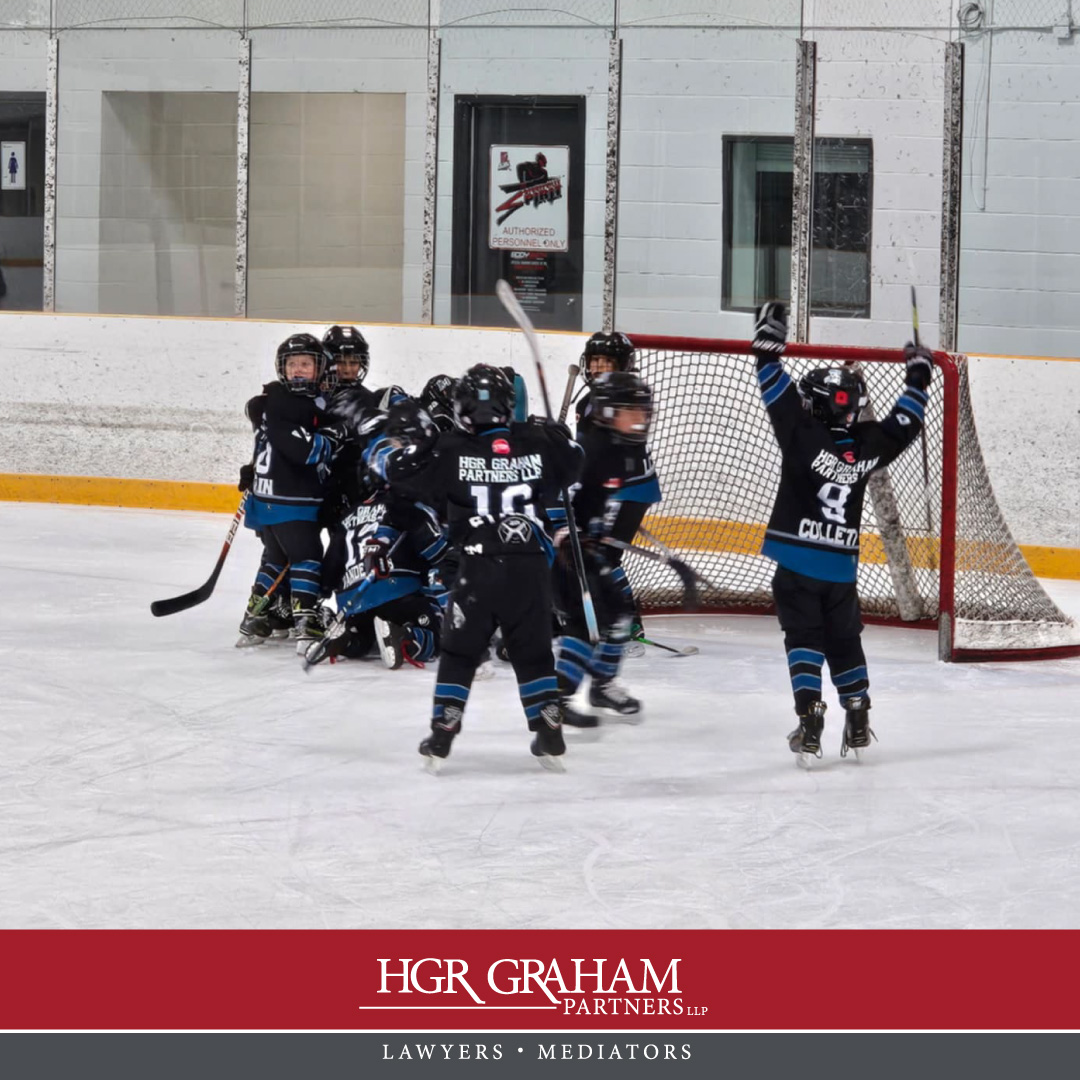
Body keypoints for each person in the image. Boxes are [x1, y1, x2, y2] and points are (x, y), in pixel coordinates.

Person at [369, 364, 583, 772]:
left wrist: (409, 442)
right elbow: (575, 463)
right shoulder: (536, 442)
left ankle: (443, 730)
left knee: (460, 650)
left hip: (478, 569)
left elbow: (396, 474)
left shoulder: (449, 449)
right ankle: (548, 725)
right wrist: (558, 436)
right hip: (532, 569)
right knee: (533, 652)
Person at [751, 301, 933, 764]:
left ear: (817, 404)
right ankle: (857, 710)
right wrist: (917, 377)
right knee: (844, 640)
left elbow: (773, 382)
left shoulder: (801, 434)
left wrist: (769, 340)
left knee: (804, 640)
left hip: (796, 564)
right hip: (840, 570)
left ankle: (809, 713)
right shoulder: (869, 447)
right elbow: (905, 425)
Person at [555, 370, 654, 726]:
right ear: (609, 411)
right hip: (561, 554)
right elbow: (552, 498)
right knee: (585, 624)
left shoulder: (620, 449)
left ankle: (601, 683)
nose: (641, 418)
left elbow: (599, 503)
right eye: (632, 410)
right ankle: (558, 698)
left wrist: (599, 533)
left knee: (618, 611)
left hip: (585, 547)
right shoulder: (586, 450)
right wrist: (567, 534)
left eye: (644, 411)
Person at [239, 333, 345, 648]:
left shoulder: (274, 403)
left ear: (319, 368)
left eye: (305, 364)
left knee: (275, 558)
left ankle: (254, 616)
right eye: (292, 364)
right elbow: (306, 451)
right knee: (307, 556)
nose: (298, 369)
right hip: (290, 501)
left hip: (267, 499)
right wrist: (335, 434)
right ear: (281, 368)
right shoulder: (289, 403)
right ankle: (306, 621)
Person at [574, 332, 661, 646]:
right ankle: (607, 615)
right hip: (620, 486)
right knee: (594, 554)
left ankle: (626, 620)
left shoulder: (621, 397)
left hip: (627, 488)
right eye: (595, 361)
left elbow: (597, 450)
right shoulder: (591, 399)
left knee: (603, 556)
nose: (598, 368)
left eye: (606, 361)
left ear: (623, 365)